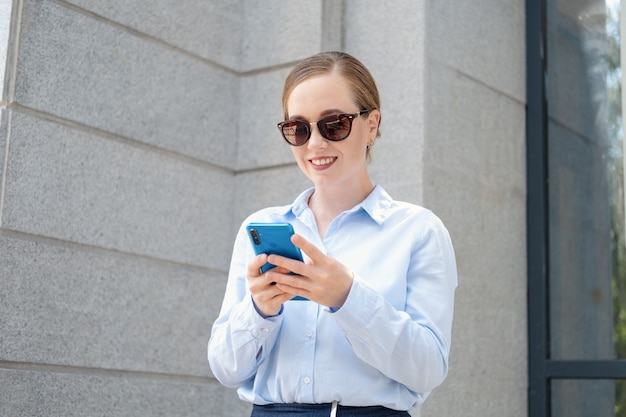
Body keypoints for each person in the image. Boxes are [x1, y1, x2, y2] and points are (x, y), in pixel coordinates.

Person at [208, 51, 457, 417]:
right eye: (299, 129)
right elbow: (226, 369)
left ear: (371, 125)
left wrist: (349, 297)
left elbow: (428, 368)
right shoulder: (259, 228)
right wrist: (259, 311)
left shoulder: (418, 231)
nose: (314, 144)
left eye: (334, 124)